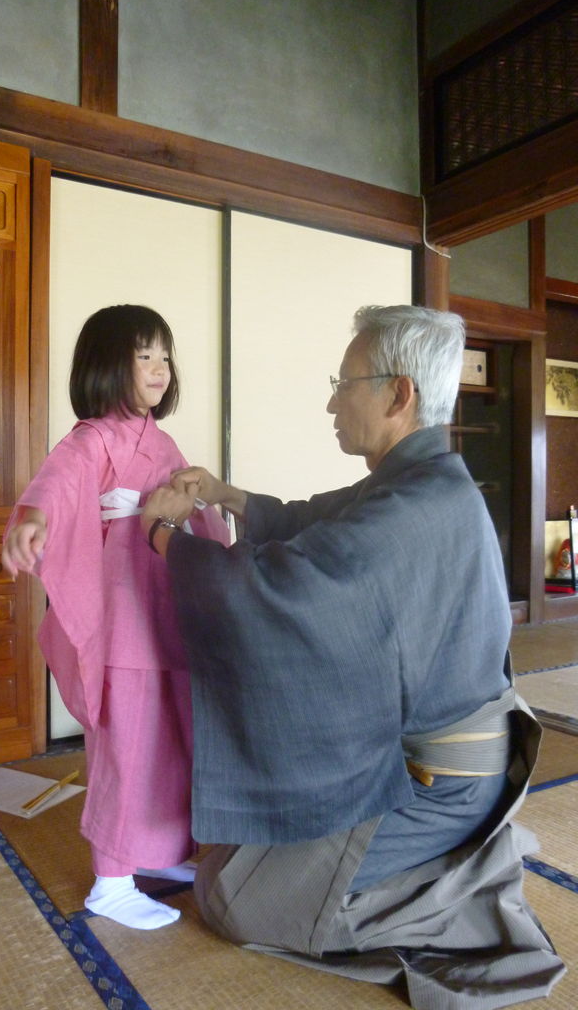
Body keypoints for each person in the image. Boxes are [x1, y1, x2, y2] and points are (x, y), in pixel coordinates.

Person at [139, 305, 565, 1007]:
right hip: (434, 759)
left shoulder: (413, 506)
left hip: (438, 785)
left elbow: (279, 588)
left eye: (345, 383)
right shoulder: (425, 481)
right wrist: (222, 494)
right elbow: (313, 518)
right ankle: (454, 863)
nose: (333, 402)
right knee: (233, 855)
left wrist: (163, 536)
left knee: (230, 896)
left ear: (399, 394)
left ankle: (461, 894)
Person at [1, 304, 229, 930]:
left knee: (172, 739)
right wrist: (35, 521)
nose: (160, 368)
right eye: (144, 355)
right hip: (125, 613)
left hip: (167, 610)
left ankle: (157, 852)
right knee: (127, 742)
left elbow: (193, 500)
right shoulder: (92, 439)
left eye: (164, 356)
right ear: (107, 363)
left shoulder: (162, 441)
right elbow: (56, 485)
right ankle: (111, 879)